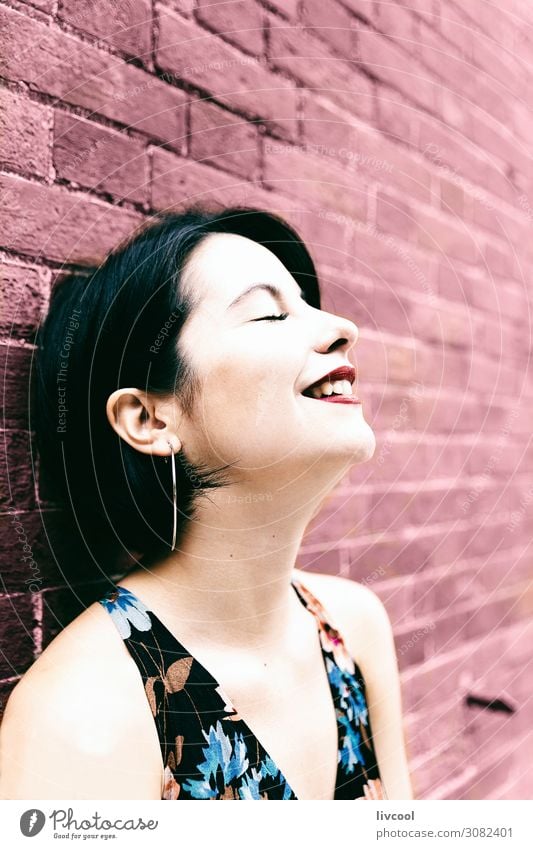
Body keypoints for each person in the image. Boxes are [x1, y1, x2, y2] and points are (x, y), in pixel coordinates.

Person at [0, 205, 413, 800]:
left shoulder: (353, 625)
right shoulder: (85, 714)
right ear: (149, 418)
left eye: (307, 304)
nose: (341, 325)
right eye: (269, 312)